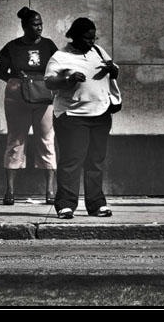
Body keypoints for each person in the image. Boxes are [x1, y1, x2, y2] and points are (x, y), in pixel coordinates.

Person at [44, 17, 118, 219]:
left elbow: (113, 69)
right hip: (72, 116)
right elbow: (49, 83)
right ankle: (65, 205)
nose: (91, 42)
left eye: (94, 38)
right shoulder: (60, 57)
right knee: (71, 161)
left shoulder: (99, 51)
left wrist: (114, 70)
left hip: (101, 114)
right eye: (87, 38)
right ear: (74, 37)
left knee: (96, 161)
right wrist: (68, 79)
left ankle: (96, 204)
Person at [0, 7, 58, 205]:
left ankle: (50, 191)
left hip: (42, 98)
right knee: (15, 141)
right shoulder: (12, 47)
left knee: (46, 141)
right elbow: (0, 71)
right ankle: (10, 192)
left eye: (41, 24)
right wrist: (17, 82)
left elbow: (58, 66)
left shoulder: (48, 45)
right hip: (18, 98)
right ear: (24, 26)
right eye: (35, 24)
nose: (39, 27)